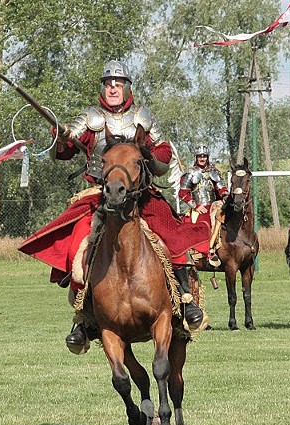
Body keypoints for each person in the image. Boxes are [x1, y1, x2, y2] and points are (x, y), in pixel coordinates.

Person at [19, 60, 210, 351]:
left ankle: (185, 300)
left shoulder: (142, 117)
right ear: (103, 87)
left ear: (126, 87)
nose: (112, 88)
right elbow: (67, 150)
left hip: (139, 195)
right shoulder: (91, 118)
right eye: (108, 83)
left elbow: (164, 152)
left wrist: (147, 154)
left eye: (117, 84)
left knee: (171, 233)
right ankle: (83, 318)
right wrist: (62, 135)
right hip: (99, 194)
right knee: (78, 246)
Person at [179, 144, 229, 266]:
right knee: (199, 226)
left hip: (213, 206)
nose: (202, 159)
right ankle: (198, 254)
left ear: (208, 157)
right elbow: (183, 193)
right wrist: (195, 206)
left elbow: (221, 188)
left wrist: (225, 196)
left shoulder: (214, 172)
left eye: (204, 156)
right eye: (200, 156)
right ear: (196, 157)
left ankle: (221, 251)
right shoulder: (190, 173)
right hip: (199, 207)